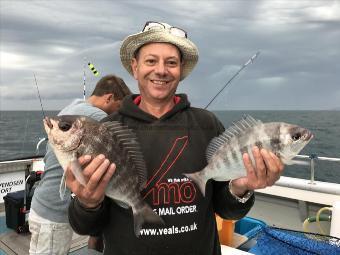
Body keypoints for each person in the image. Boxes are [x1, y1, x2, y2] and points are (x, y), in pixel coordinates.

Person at [66, 21, 284, 255]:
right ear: (135, 66)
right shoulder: (107, 131)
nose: (161, 70)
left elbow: (227, 210)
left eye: (171, 62)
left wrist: (241, 188)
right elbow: (86, 225)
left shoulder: (207, 125)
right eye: (151, 61)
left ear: (180, 70)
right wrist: (87, 203)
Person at [28, 74, 131, 255]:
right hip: (55, 212)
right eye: (118, 107)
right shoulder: (95, 118)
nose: (117, 113)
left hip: (42, 202)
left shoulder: (74, 108)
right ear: (109, 98)